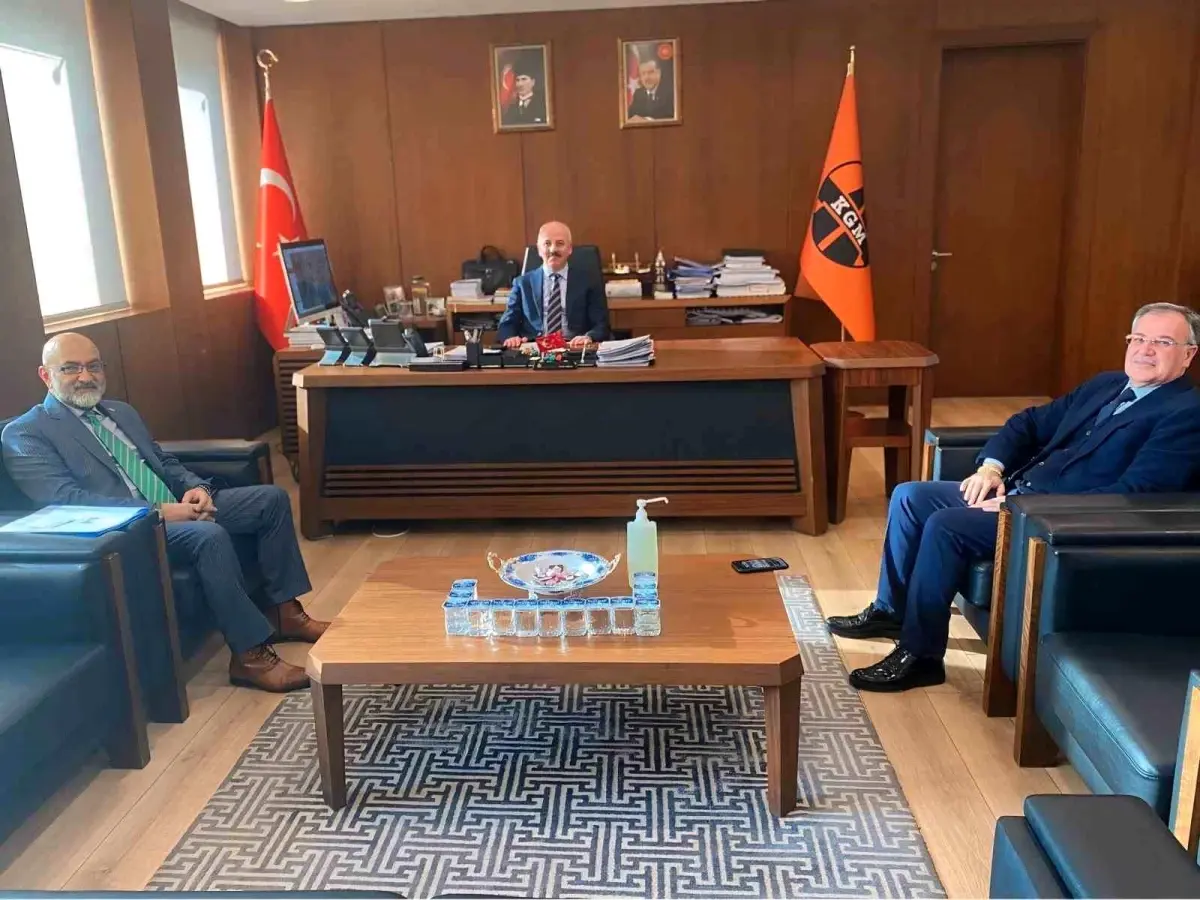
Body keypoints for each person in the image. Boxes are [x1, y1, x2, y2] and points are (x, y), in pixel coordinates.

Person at [828, 302, 1200, 692]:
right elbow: (1029, 423)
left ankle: (921, 656)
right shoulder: (1106, 385)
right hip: (1019, 491)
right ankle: (890, 611)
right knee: (910, 497)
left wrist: (1022, 507)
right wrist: (991, 468)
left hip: (1055, 522)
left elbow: (1136, 494)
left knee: (946, 525)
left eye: (1162, 342)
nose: (1145, 350)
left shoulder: (1186, 413)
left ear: (1188, 355)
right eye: (1138, 338)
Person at [1, 333, 329, 694]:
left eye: (93, 366)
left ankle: (285, 613)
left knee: (270, 500)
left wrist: (197, 489)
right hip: (125, 531)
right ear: (45, 375)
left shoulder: (121, 412)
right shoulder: (26, 433)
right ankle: (250, 656)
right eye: (70, 368)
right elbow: (67, 502)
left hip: (175, 506)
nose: (85, 376)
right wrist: (157, 512)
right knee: (209, 535)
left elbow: (164, 462)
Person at [498, 221, 610, 350]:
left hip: (574, 348)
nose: (553, 249)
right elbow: (507, 323)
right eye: (547, 244)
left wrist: (589, 337)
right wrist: (510, 337)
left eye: (560, 243)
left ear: (570, 249)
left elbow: (601, 324)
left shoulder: (589, 281)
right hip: (535, 349)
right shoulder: (522, 283)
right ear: (539, 250)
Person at [500, 61, 547, 127]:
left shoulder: (543, 104)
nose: (520, 84)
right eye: (517, 80)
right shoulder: (511, 106)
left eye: (524, 79)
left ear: (533, 82)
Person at [626, 57, 674, 122]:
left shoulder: (670, 93)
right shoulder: (638, 93)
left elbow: (670, 118)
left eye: (650, 72)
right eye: (643, 73)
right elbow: (630, 117)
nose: (646, 77)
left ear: (659, 73)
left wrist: (647, 121)